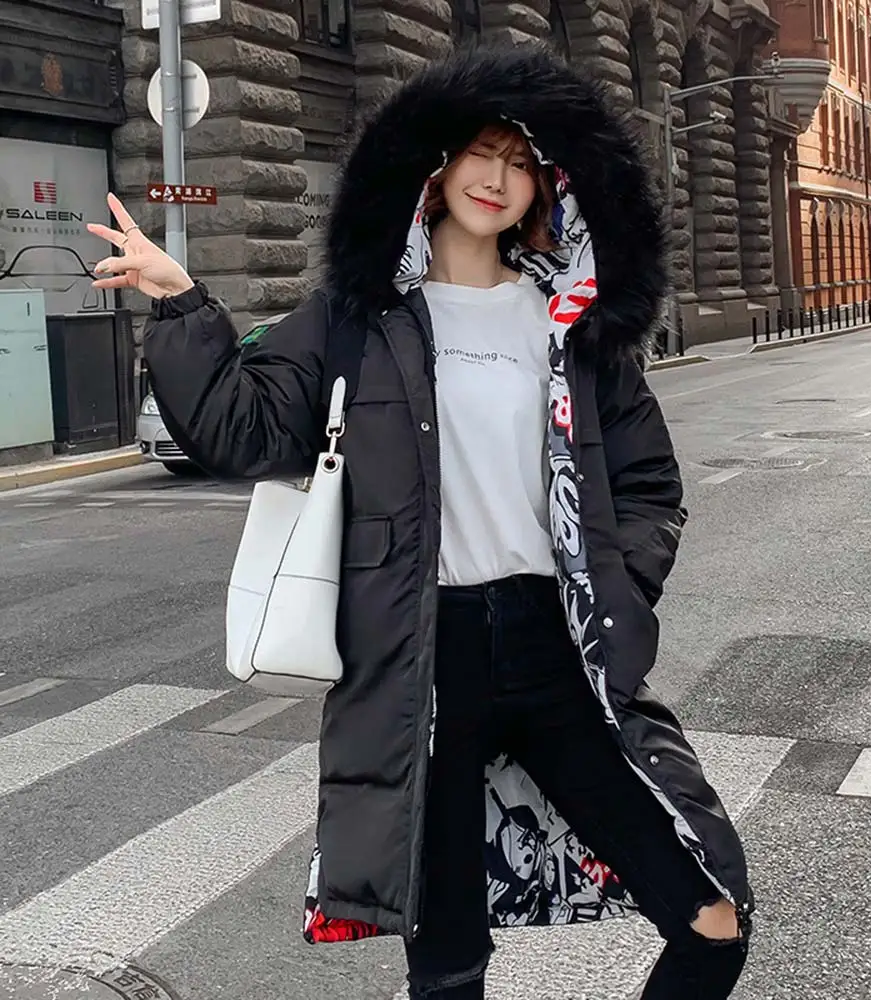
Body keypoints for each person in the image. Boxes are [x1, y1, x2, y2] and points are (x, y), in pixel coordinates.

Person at [90, 44, 753, 1000]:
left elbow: (650, 483)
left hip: (557, 647)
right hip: (425, 658)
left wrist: (618, 584)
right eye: (480, 152)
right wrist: (182, 304)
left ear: (548, 185)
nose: (497, 178)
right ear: (435, 166)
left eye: (521, 162)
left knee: (711, 918)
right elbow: (245, 431)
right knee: (448, 963)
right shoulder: (360, 317)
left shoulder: (570, 321)